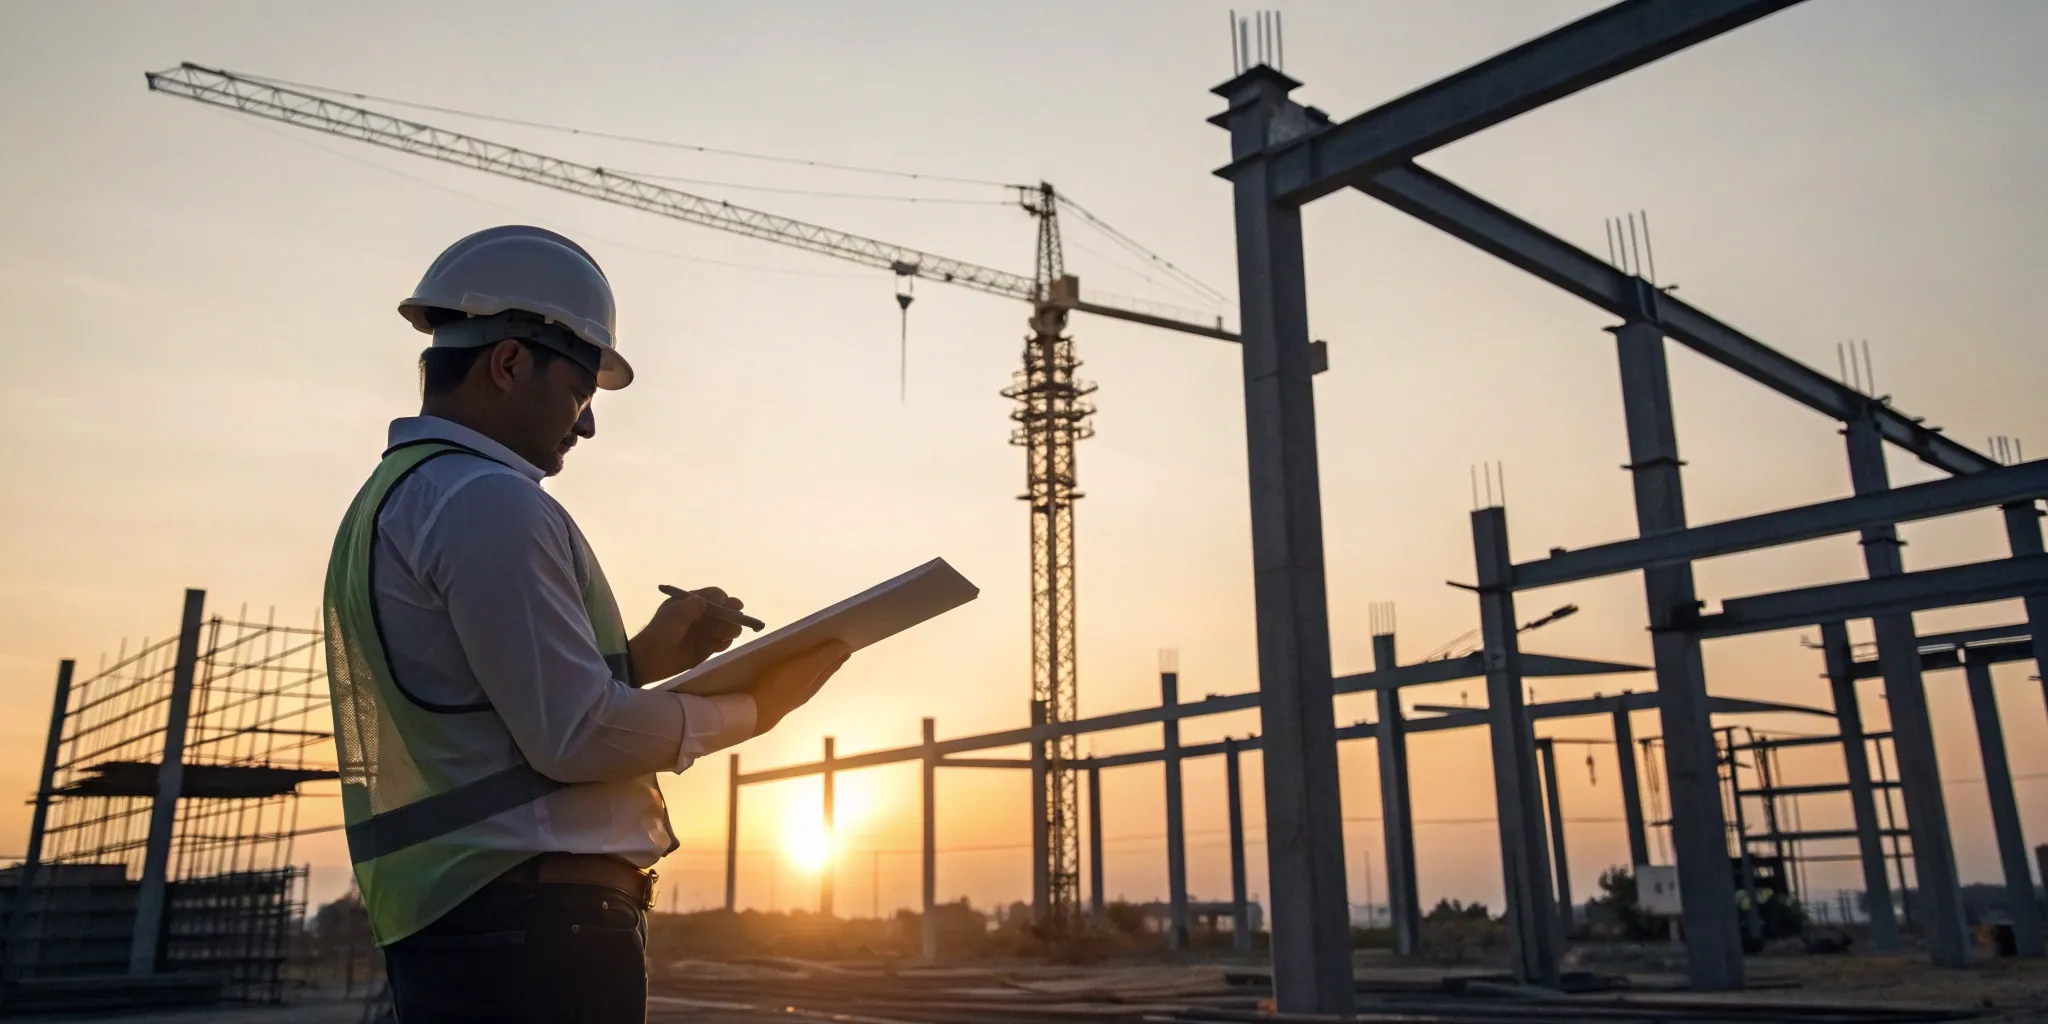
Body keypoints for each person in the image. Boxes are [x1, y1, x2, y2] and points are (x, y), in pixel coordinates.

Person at [322, 225, 850, 1022]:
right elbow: (576, 738)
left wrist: (642, 660)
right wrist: (756, 709)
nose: (589, 423)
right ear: (509, 363)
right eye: (580, 390)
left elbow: (494, 713)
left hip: (473, 921)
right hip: (532, 930)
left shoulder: (402, 497)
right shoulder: (487, 500)